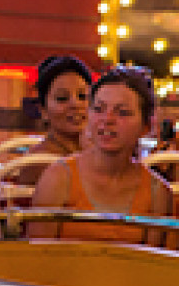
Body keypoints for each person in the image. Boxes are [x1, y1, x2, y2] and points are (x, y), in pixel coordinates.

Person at [29, 66, 172, 246]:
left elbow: (153, 267)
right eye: (98, 109)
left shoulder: (157, 192)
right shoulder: (58, 178)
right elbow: (37, 260)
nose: (107, 119)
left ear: (146, 126)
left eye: (122, 112)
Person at [16, 55, 93, 186]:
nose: (75, 104)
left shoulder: (96, 150)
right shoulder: (39, 162)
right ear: (43, 111)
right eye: (62, 98)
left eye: (82, 96)